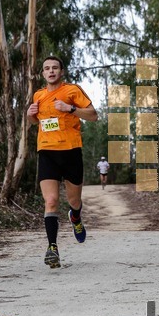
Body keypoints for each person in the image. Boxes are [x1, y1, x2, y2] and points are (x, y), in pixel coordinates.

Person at [27, 56, 98, 269]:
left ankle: (75, 217)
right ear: (42, 73)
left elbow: (93, 115)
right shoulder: (38, 95)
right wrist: (30, 115)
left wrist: (71, 109)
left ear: (61, 71)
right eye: (47, 68)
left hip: (71, 151)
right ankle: (52, 248)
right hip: (47, 152)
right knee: (50, 200)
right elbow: (35, 122)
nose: (51, 71)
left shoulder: (72, 91)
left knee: (74, 201)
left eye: (55, 68)